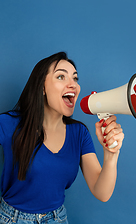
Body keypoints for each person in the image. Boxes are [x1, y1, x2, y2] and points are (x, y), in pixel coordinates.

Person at [0, 52, 124, 223]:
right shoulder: (8, 124)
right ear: (42, 87)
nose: (73, 85)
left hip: (57, 219)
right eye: (61, 77)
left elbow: (101, 192)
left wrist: (111, 155)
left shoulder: (79, 133)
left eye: (75, 78)